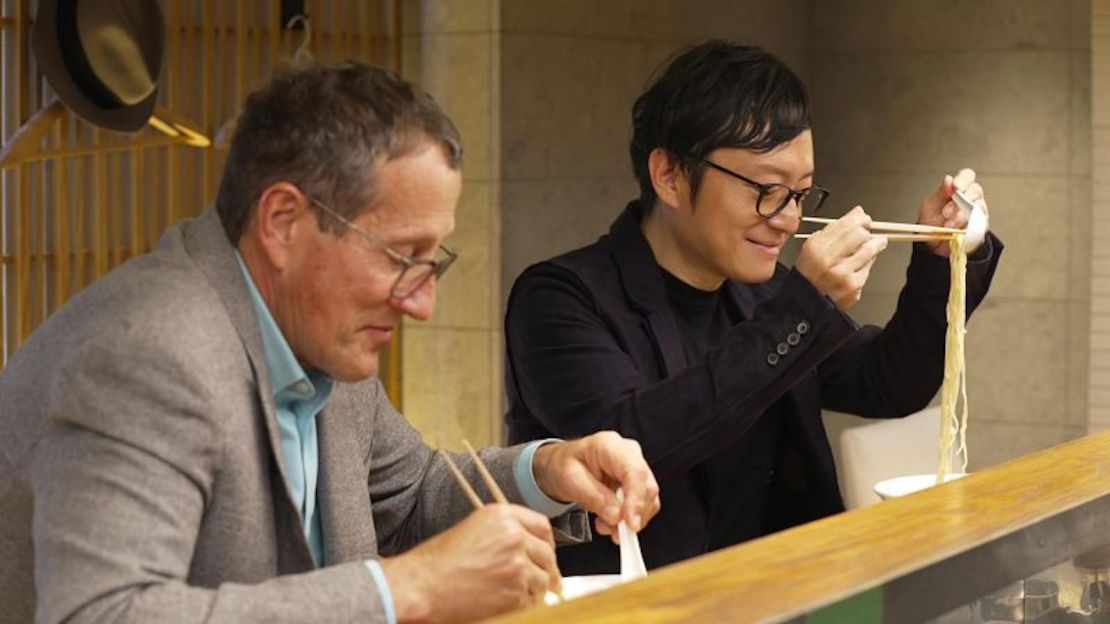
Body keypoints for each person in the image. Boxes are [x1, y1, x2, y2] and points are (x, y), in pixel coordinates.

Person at [0, 62, 661, 624]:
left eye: (434, 262)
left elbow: (408, 498)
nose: (422, 302)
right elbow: (103, 614)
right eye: (402, 256)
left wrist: (548, 473)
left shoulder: (318, 334)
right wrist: (407, 588)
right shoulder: (149, 352)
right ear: (284, 221)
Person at [504, 40, 1002, 575]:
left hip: (778, 593)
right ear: (669, 175)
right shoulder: (560, 297)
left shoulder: (765, 294)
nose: (787, 219)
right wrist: (802, 309)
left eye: (801, 193)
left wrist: (941, 258)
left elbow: (888, 382)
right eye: (767, 190)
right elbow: (632, 443)